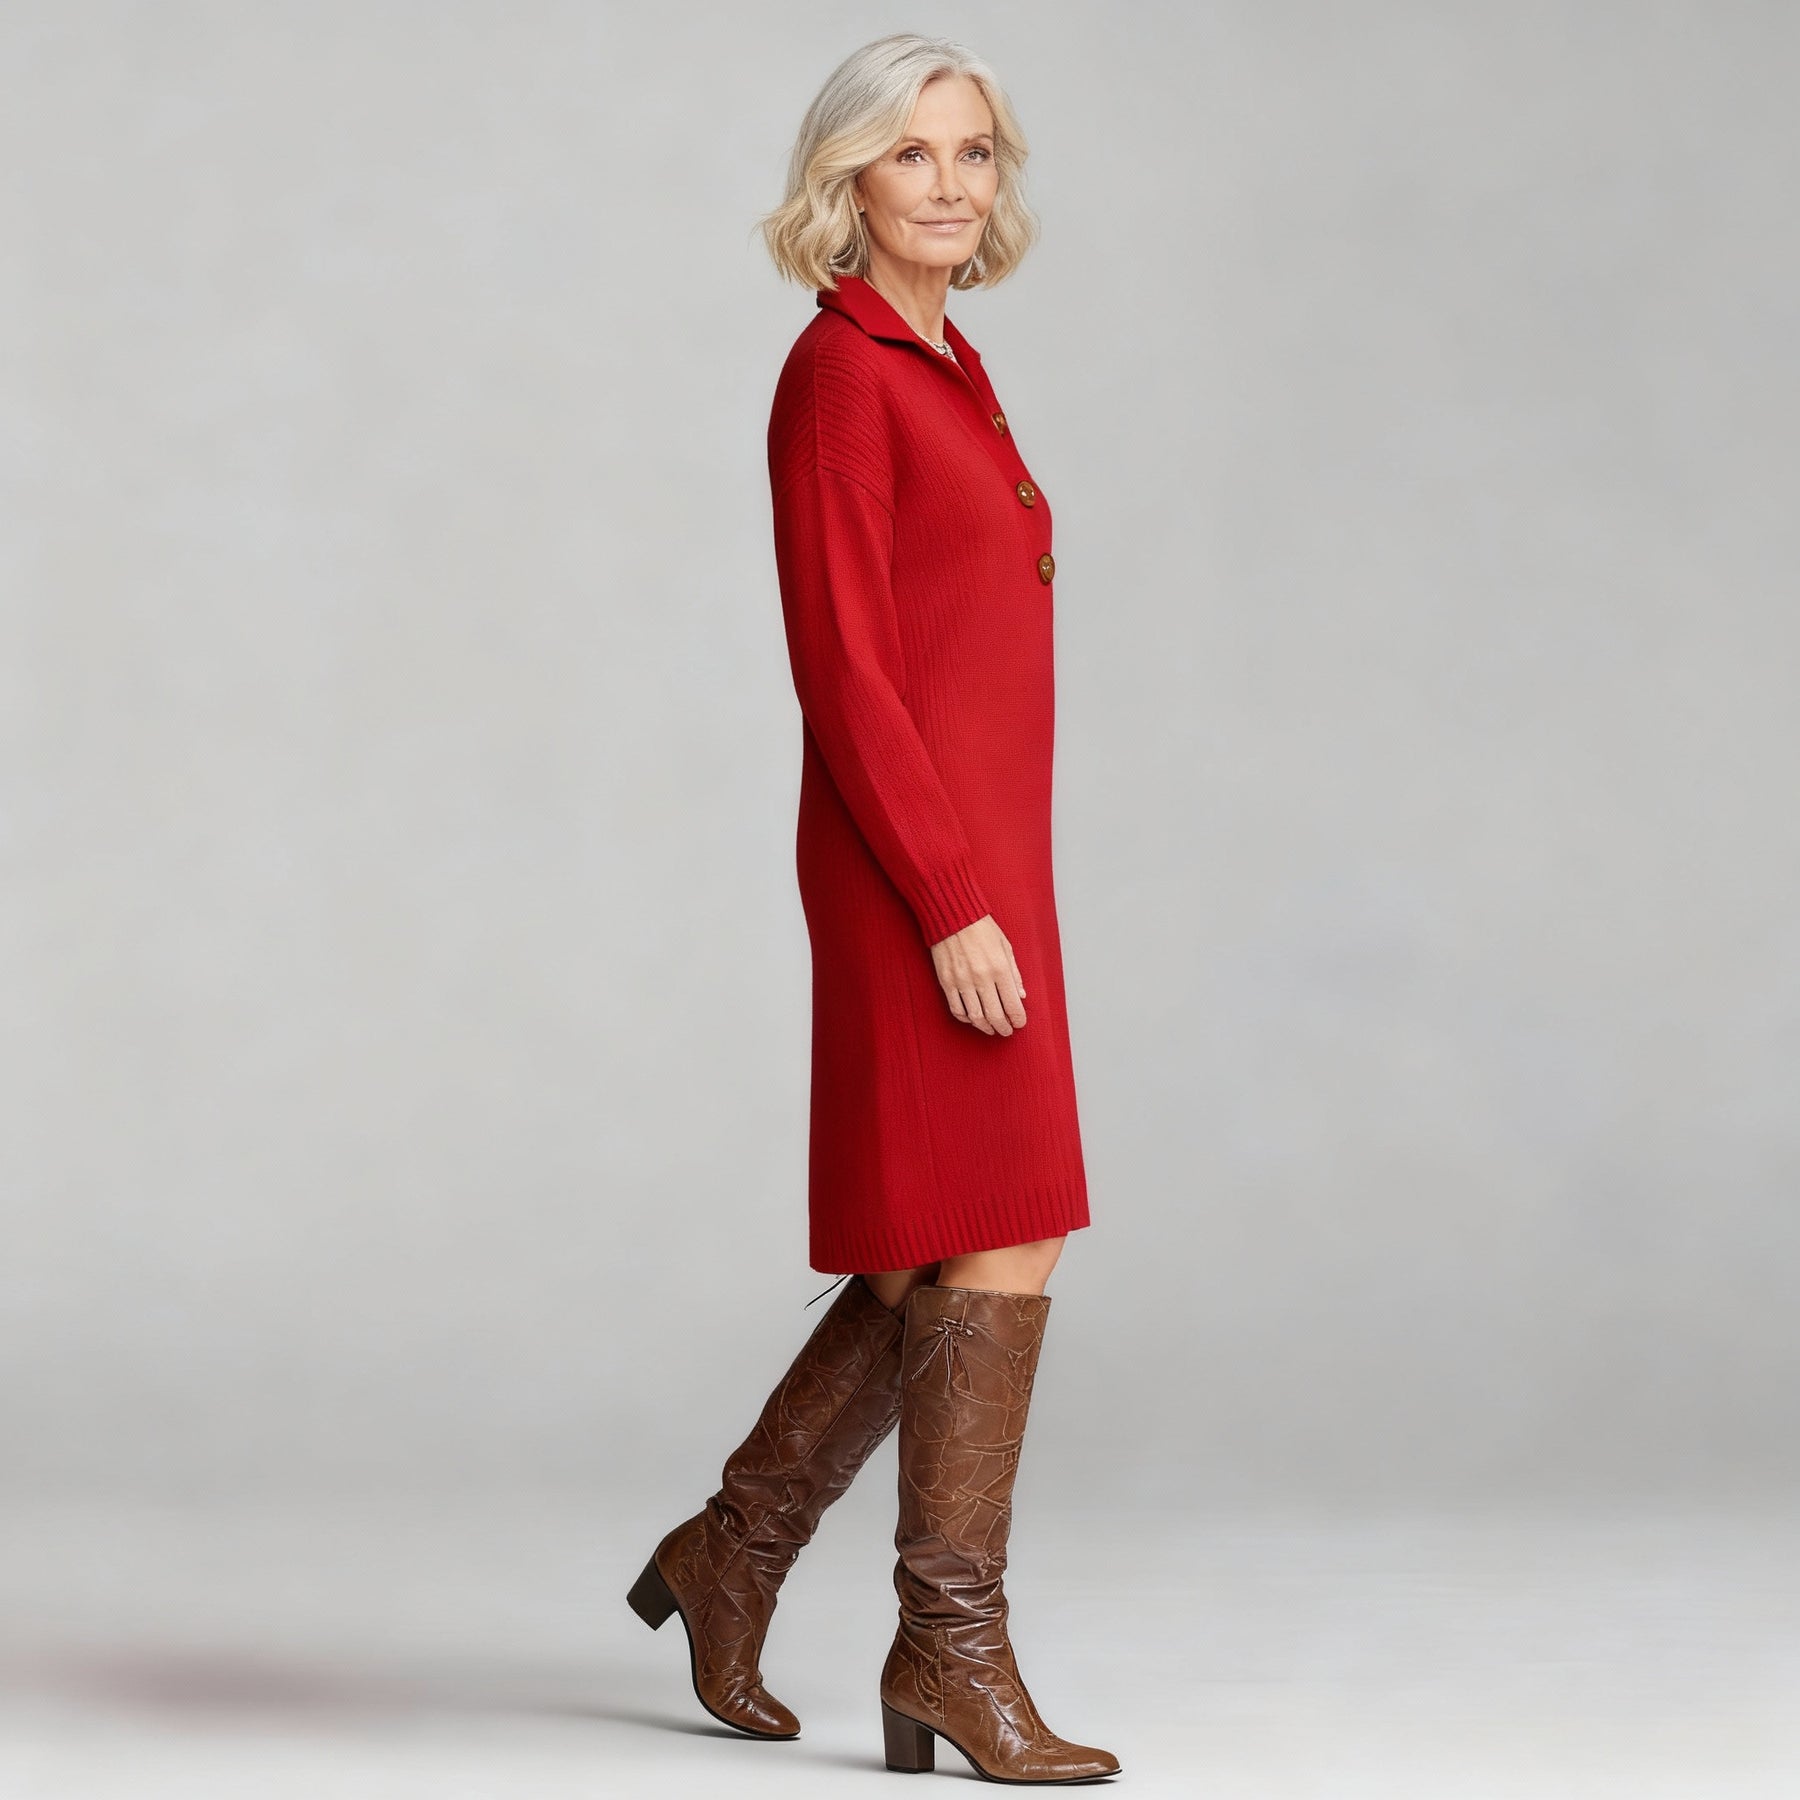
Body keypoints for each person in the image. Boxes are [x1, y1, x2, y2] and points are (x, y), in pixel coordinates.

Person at [626, 33, 1119, 1785]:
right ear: (846, 180)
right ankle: (949, 1649)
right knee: (1009, 1222)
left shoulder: (951, 364)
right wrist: (950, 902)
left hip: (983, 861)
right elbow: (845, 670)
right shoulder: (840, 374)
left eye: (974, 152)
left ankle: (732, 1553)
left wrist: (989, 881)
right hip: (915, 869)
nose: (950, 183)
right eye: (913, 154)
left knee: (935, 1244)